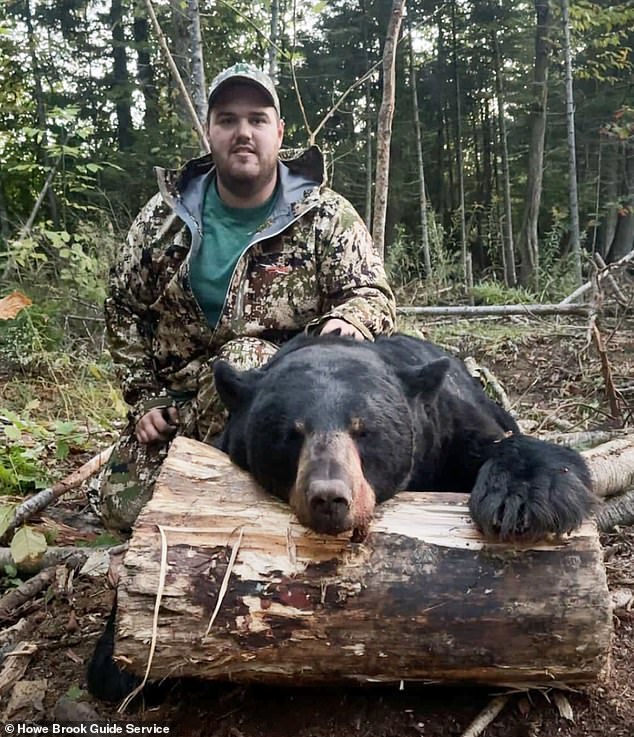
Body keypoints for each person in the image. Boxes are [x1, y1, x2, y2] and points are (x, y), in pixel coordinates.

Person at [96, 62, 396, 531]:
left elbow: (371, 293)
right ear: (209, 131)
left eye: (257, 119)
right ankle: (222, 483)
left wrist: (354, 321)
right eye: (228, 120)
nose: (243, 133)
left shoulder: (325, 215)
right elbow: (122, 306)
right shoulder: (163, 218)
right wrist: (146, 399)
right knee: (123, 506)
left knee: (248, 355)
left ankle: (268, 485)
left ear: (278, 132)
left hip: (293, 417)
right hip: (184, 408)